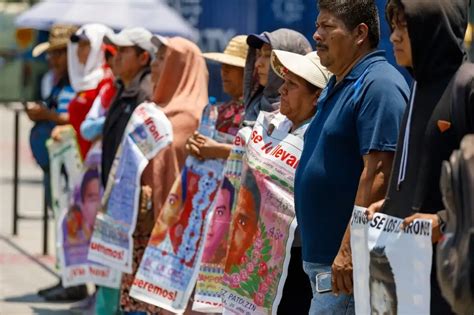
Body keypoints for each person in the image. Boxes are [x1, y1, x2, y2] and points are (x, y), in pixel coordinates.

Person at [294, 0, 409, 313]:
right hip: (328, 270)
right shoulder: (340, 83)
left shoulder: (379, 85)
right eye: (317, 25)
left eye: (327, 27)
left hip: (348, 273)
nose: (316, 35)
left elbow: (380, 176)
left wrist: (350, 249)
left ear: (360, 33)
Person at [366, 1, 471, 313]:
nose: (394, 37)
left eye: (405, 28)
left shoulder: (466, 86)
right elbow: (414, 170)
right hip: (404, 271)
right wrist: (388, 204)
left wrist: (444, 220)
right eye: (394, 28)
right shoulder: (417, 87)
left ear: (433, 31)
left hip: (449, 274)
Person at [119, 35, 208, 315]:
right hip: (146, 229)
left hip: (178, 241)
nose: (155, 65)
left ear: (180, 67)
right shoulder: (155, 113)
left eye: (162, 59)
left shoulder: (196, 119)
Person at [269, 49, 331, 314]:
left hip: (297, 259)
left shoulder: (318, 139)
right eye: (284, 82)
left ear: (316, 96)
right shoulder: (275, 127)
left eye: (292, 85)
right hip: (266, 255)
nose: (281, 90)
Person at [101, 27, 155, 187]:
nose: (116, 57)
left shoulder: (146, 94)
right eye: (116, 50)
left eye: (123, 51)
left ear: (143, 58)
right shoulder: (123, 88)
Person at [51, 24, 115, 159]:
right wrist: (67, 129)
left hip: (100, 159)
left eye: (85, 44)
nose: (79, 50)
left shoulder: (107, 81)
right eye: (78, 45)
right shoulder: (81, 82)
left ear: (100, 46)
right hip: (80, 158)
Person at [186, 35, 248, 160]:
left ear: (249, 72)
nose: (223, 71)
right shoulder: (220, 111)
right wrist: (196, 146)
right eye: (223, 65)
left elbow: (262, 157)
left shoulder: (261, 114)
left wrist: (218, 151)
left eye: (231, 66)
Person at [241, 28, 312, 124]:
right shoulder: (254, 105)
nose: (257, 63)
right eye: (259, 55)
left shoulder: (301, 115)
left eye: (268, 55)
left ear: (289, 61)